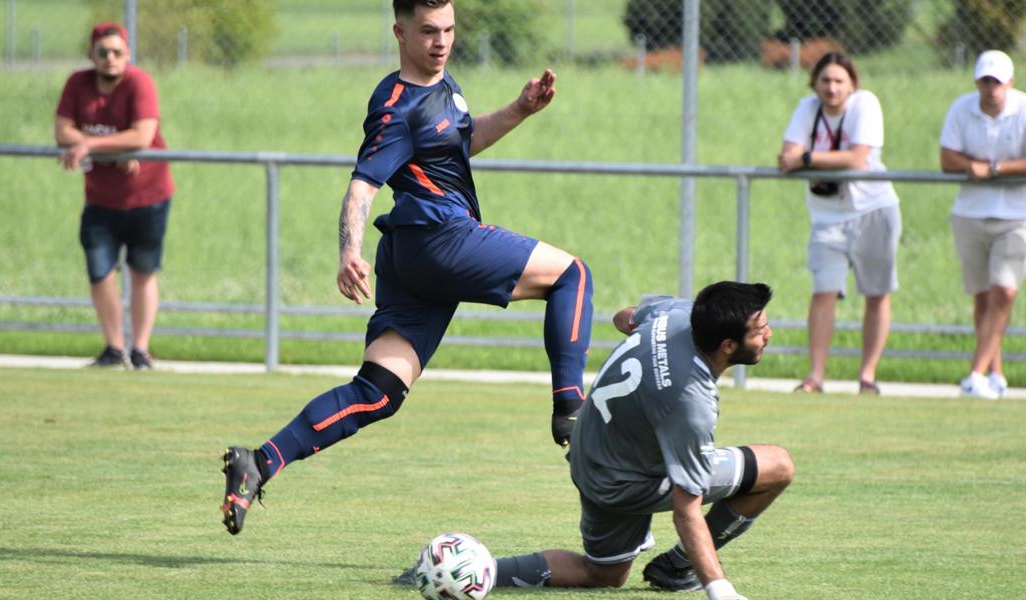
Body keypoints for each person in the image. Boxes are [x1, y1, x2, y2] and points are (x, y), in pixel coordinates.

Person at [219, 0, 593, 535]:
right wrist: (349, 249)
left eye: (448, 30)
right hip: (440, 238)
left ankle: (258, 461)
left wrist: (519, 110)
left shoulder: (445, 86)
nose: (440, 41)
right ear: (399, 32)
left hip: (413, 258)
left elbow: (459, 144)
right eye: (427, 32)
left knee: (377, 391)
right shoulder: (395, 105)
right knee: (572, 275)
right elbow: (362, 184)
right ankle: (571, 411)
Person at [396, 282, 791, 599]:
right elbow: (685, 509)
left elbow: (625, 318)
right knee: (777, 467)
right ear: (727, 345)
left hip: (591, 453)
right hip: (625, 481)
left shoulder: (678, 315)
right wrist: (720, 589)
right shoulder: (691, 402)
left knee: (604, 574)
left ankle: (477, 569)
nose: (768, 334)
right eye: (760, 331)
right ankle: (679, 568)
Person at [777, 52, 902, 395]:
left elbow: (858, 159)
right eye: (825, 81)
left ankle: (867, 376)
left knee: (876, 293)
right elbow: (784, 155)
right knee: (823, 291)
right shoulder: (808, 108)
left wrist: (807, 159)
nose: (831, 88)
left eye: (838, 81)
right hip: (827, 215)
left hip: (872, 209)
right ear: (814, 83)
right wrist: (807, 159)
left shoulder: (866, 105)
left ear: (852, 84)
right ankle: (815, 377)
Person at [54, 22, 175, 370]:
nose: (110, 59)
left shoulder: (139, 82)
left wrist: (90, 144)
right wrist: (111, 152)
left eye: (117, 52)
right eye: (103, 52)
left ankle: (139, 350)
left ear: (128, 55)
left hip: (148, 196)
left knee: (142, 271)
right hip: (100, 200)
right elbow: (62, 130)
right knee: (100, 272)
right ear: (91, 54)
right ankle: (112, 348)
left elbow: (142, 135)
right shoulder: (78, 84)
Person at [939, 50, 1026, 399]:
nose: (991, 89)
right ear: (977, 82)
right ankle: (996, 373)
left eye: (998, 82)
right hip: (970, 213)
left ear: (1010, 83)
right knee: (982, 297)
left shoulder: (1023, 108)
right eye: (986, 81)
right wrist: (969, 166)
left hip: (1017, 215)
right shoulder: (962, 108)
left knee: (1004, 292)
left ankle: (974, 374)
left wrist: (993, 170)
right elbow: (947, 157)